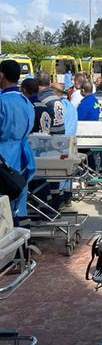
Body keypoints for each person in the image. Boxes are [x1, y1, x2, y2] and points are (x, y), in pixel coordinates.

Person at [0, 60, 36, 227]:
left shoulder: (2, 101)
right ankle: (22, 244)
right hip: (24, 157)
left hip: (4, 157)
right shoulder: (26, 102)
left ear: (2, 75)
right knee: (19, 202)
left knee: (3, 206)